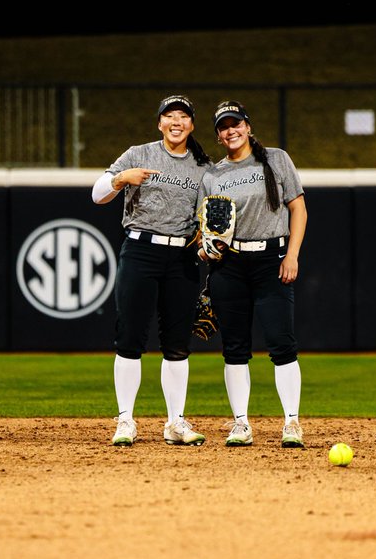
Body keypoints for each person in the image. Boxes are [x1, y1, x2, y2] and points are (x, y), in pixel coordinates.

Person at [92, 94, 213, 447]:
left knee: (177, 343)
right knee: (130, 337)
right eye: (170, 116)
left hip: (182, 256)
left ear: (192, 124)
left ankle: (175, 423)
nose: (177, 122)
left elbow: (209, 217)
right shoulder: (138, 154)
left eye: (183, 116)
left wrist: (207, 244)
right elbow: (97, 194)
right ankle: (125, 420)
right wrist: (120, 179)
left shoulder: (204, 166)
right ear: (159, 123)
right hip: (141, 250)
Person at [199, 100, 308, 448]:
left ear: (247, 126)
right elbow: (203, 234)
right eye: (223, 127)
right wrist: (206, 249)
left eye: (236, 123)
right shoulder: (212, 176)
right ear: (218, 136)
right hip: (229, 266)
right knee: (234, 348)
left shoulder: (276, 159)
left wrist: (292, 255)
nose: (230, 130)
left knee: (281, 343)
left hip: (271, 260)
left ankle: (292, 422)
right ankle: (241, 424)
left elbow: (298, 208)